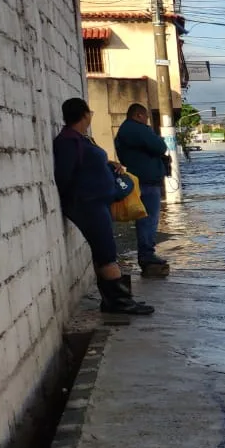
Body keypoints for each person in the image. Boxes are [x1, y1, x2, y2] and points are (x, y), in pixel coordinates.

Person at [53, 98, 154, 316]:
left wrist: (111, 165)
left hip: (97, 202)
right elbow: (65, 175)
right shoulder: (68, 141)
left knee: (103, 252)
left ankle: (112, 301)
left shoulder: (82, 139)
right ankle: (121, 303)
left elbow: (89, 164)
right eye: (89, 113)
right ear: (84, 115)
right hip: (88, 204)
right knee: (107, 252)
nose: (91, 116)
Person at [114, 103, 169, 273]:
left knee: (143, 219)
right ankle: (147, 253)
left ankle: (146, 254)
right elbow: (160, 147)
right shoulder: (137, 129)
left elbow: (123, 158)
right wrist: (157, 139)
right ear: (138, 116)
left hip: (137, 179)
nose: (147, 121)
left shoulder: (123, 132)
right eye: (145, 117)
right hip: (147, 181)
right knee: (149, 219)